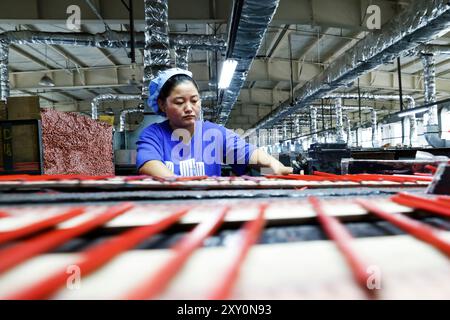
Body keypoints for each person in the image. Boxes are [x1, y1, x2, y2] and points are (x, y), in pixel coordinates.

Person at [136, 68, 293, 178]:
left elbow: (247, 152)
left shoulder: (214, 134)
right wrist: (181, 186)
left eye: (194, 100)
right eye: (179, 102)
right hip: (170, 211)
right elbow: (148, 164)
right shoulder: (154, 135)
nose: (189, 108)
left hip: (209, 210)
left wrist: (273, 165)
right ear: (163, 104)